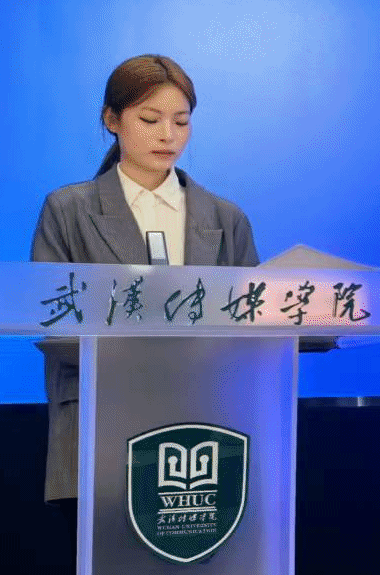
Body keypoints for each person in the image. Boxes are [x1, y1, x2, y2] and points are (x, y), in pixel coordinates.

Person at [31, 55, 260, 505]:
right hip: (103, 419)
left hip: (207, 424)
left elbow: (253, 326)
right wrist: (151, 354)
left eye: (182, 121)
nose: (168, 135)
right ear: (112, 120)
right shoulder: (68, 210)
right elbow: (52, 325)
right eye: (150, 119)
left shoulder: (225, 218)